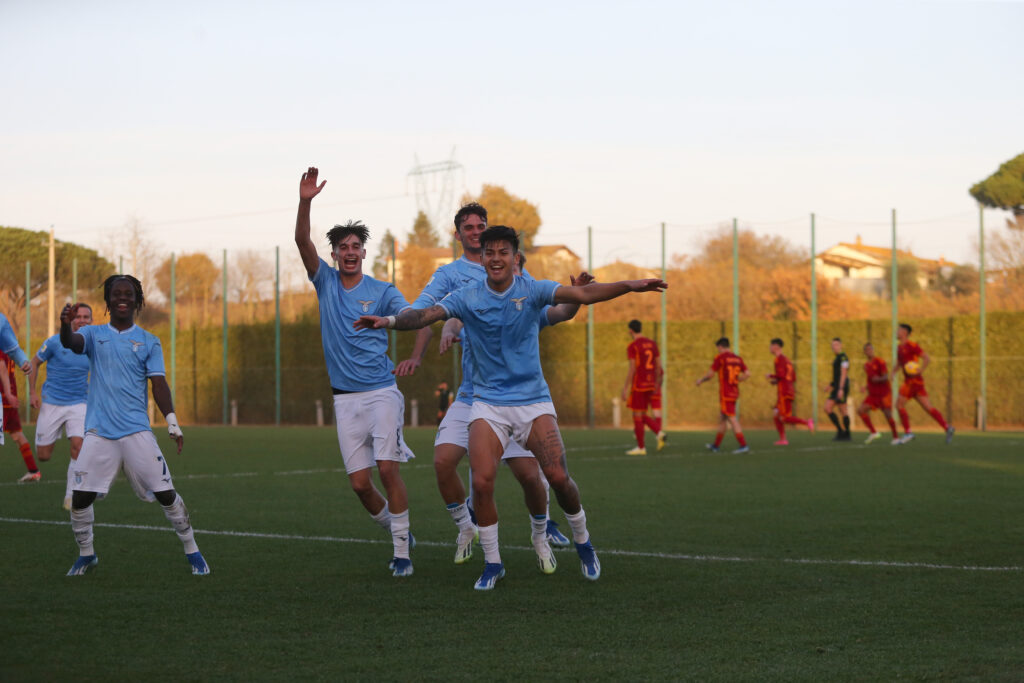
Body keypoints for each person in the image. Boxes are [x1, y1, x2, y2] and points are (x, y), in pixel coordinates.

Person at [355, 225, 667, 590]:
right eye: (489, 252)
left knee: (558, 479)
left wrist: (629, 285)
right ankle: (493, 563)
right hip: (487, 405)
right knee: (481, 481)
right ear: (482, 258)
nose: (496, 258)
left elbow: (581, 294)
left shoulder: (532, 290)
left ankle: (583, 541)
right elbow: (425, 315)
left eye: (503, 252)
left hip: (532, 403)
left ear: (514, 257)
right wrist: (390, 321)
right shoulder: (467, 296)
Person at [395, 201, 574, 570]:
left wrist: (576, 299)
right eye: (469, 228)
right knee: (444, 462)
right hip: (474, 395)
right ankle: (467, 527)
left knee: (532, 476)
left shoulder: (511, 270)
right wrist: (434, 324)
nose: (476, 233)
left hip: (517, 396)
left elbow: (538, 308)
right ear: (458, 235)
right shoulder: (450, 275)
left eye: (482, 227)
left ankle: (542, 530)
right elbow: (429, 309)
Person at [296, 167, 416, 577]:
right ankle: (397, 531)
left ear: (365, 253)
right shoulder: (325, 282)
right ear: (334, 255)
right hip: (344, 399)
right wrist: (305, 202)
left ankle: (402, 553)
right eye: (343, 247)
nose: (349, 252)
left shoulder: (383, 291)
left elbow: (412, 316)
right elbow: (302, 241)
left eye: (356, 246)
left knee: (387, 469)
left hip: (381, 393)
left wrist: (389, 322)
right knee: (361, 485)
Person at [60, 275, 210, 576]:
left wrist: (172, 422)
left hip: (136, 432)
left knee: (165, 493)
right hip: (99, 433)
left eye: (128, 294)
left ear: (137, 300)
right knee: (80, 498)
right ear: (108, 300)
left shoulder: (149, 341)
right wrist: (65, 325)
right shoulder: (92, 334)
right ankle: (86, 555)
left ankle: (193, 550)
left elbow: (159, 384)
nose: (122, 298)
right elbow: (71, 343)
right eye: (116, 294)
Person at [29, 303, 93, 508]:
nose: (82, 320)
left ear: (91, 320)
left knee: (79, 446)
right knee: (43, 456)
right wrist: (32, 392)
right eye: (78, 316)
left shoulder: (93, 345)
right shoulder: (54, 342)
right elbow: (34, 363)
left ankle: (70, 494)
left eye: (86, 317)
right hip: (52, 403)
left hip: (80, 403)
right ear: (71, 319)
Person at [891, 323, 954, 444]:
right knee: (928, 407)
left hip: (912, 382)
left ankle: (908, 433)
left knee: (899, 405)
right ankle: (947, 427)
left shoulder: (912, 345)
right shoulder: (899, 348)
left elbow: (926, 358)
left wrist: (921, 369)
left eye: (898, 330)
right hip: (916, 383)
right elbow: (900, 362)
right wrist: (893, 372)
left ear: (904, 332)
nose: (896, 332)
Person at [695, 337, 750, 454]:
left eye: (718, 348)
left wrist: (701, 380)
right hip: (734, 392)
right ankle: (716, 445)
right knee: (723, 419)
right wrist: (737, 380)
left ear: (720, 347)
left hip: (726, 393)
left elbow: (710, 375)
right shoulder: (738, 358)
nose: (718, 350)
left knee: (732, 419)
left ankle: (743, 445)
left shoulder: (720, 358)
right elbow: (747, 374)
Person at [621, 320, 665, 455]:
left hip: (639, 385)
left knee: (637, 414)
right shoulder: (652, 344)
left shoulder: (633, 346)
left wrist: (625, 388)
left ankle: (642, 447)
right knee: (642, 414)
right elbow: (659, 366)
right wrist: (657, 383)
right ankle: (658, 433)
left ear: (630, 330)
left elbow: (632, 368)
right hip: (651, 384)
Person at [1, 350, 41, 483]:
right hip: (10, 398)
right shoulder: (9, 348)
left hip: (3, 398)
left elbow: (2, 368)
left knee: (17, 434)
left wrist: (7, 393)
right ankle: (33, 470)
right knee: (16, 434)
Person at [765, 338, 813, 446]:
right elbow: (793, 377)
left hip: (783, 392)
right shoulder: (787, 360)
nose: (770, 348)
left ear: (776, 346)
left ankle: (807, 422)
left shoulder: (779, 359)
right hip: (789, 390)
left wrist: (771, 375)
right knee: (776, 415)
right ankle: (783, 439)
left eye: (771, 345)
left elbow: (781, 375)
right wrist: (776, 381)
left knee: (784, 418)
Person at [857, 342, 900, 445]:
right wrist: (865, 387)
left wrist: (879, 379)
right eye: (867, 350)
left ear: (873, 350)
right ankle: (874, 432)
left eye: (871, 349)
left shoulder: (880, 361)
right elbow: (871, 380)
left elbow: (885, 377)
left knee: (888, 415)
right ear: (864, 352)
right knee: (860, 410)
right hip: (873, 395)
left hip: (884, 394)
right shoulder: (866, 365)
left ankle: (895, 437)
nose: (869, 351)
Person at [824, 337, 851, 441]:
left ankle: (846, 433)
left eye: (836, 345)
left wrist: (841, 389)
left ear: (841, 345)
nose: (834, 347)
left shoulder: (843, 357)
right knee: (828, 408)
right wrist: (831, 385)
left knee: (843, 410)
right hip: (836, 387)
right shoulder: (837, 358)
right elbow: (837, 375)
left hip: (841, 387)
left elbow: (844, 373)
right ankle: (840, 431)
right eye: (832, 345)